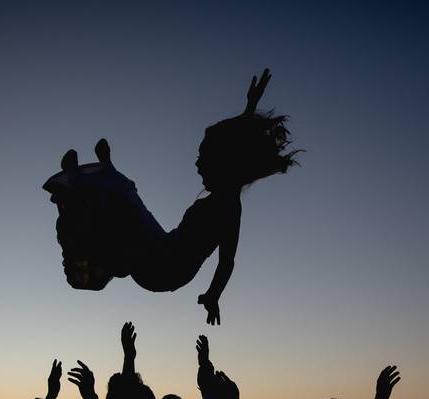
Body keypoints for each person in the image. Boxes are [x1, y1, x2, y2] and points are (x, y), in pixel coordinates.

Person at [43, 69, 300, 325]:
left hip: (163, 269)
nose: (197, 163)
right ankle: (98, 177)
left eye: (203, 158)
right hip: (162, 247)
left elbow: (227, 261)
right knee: (129, 208)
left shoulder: (230, 207)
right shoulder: (226, 197)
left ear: (223, 164)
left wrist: (213, 295)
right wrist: (249, 107)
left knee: (121, 223)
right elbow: (237, 146)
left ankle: (87, 185)